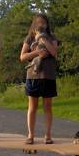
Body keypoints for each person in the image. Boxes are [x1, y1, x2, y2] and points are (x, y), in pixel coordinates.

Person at [20, 13, 59, 145]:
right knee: (32, 106)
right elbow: (22, 57)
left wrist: (43, 40)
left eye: (43, 22)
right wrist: (36, 53)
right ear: (34, 25)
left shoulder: (52, 37)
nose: (41, 25)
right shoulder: (29, 38)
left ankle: (47, 135)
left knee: (47, 106)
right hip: (33, 76)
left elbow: (54, 52)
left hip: (48, 76)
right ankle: (30, 135)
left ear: (47, 24)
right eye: (38, 22)